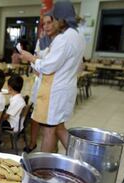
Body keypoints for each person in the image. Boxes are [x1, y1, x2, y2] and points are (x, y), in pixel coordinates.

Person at [19, 0, 85, 152]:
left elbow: (47, 67)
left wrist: (30, 58)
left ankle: (43, 170)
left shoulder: (63, 39)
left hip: (54, 92)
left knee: (49, 130)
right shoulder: (78, 36)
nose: (52, 23)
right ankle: (79, 158)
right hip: (67, 87)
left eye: (54, 19)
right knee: (59, 128)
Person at [24, 13, 58, 153]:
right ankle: (32, 143)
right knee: (35, 115)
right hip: (40, 82)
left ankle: (51, 148)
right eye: (44, 24)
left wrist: (41, 67)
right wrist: (37, 67)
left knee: (52, 121)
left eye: (49, 22)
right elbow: (35, 60)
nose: (46, 26)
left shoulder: (60, 41)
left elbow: (52, 67)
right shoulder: (42, 41)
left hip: (53, 85)